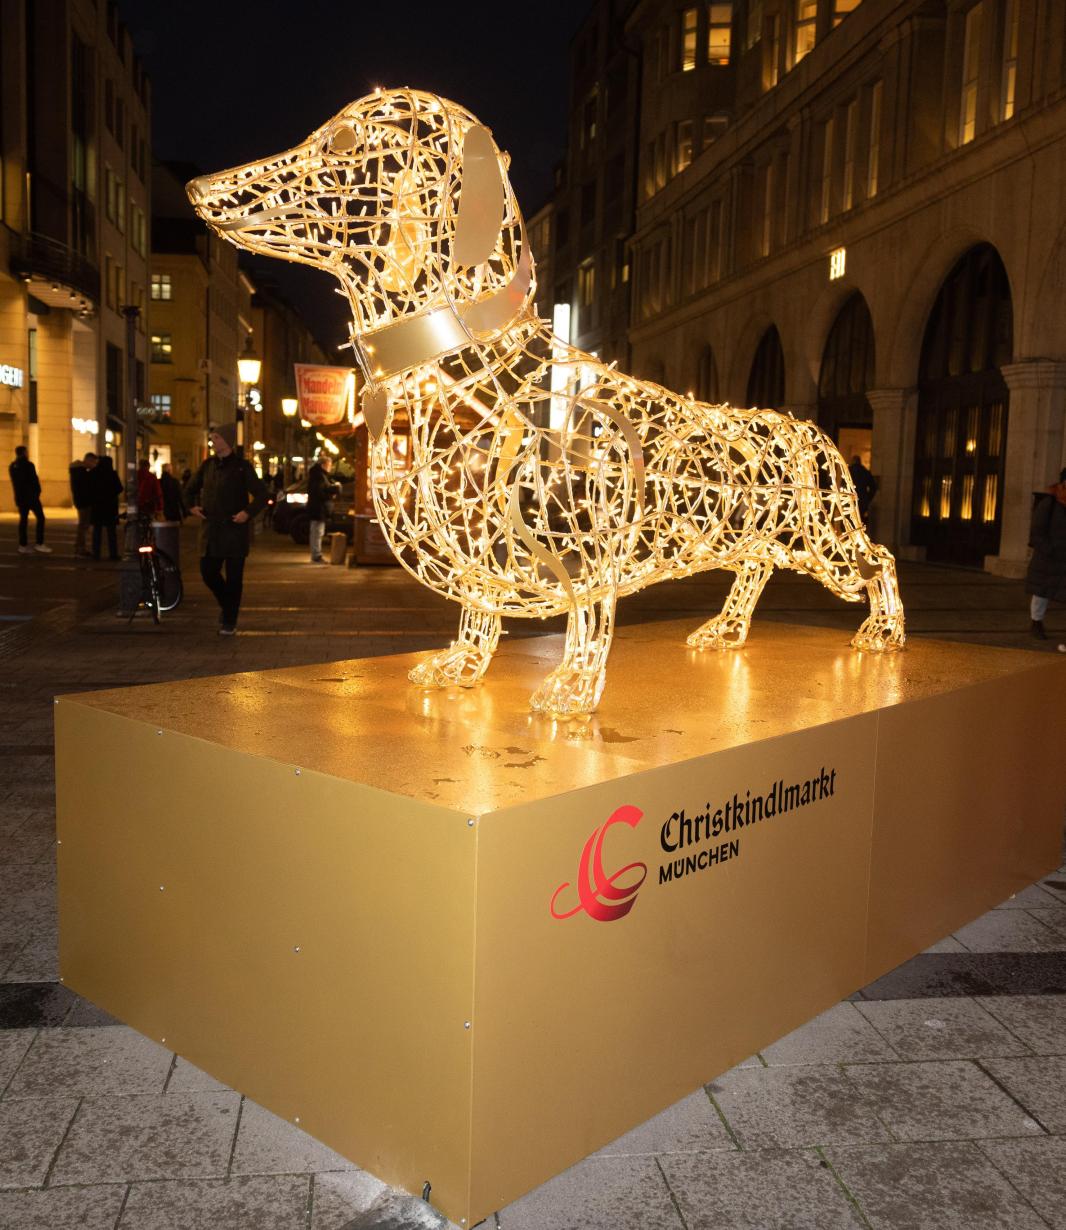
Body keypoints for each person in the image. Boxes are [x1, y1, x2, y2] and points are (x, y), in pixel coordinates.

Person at [184, 423, 268, 635]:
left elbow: (261, 494)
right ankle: (227, 606)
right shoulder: (208, 465)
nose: (213, 441)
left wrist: (247, 513)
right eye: (212, 437)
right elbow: (188, 490)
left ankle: (230, 620)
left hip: (234, 531)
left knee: (234, 578)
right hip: (211, 532)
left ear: (227, 441)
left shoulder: (242, 466)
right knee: (208, 572)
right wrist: (191, 507)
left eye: (217, 438)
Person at [1025, 467, 1066, 640]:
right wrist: (1050, 550)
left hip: (1063, 558)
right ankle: (1036, 622)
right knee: (1042, 592)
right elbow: (1037, 532)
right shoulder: (1049, 503)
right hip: (1049, 558)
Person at [9, 445, 51, 555]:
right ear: (24, 453)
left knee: (23, 520)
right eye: (27, 451)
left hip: (20, 498)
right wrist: (37, 492)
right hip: (31, 497)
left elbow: (16, 483)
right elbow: (34, 480)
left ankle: (22, 545)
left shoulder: (13, 466)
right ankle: (39, 543)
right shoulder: (28, 465)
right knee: (41, 518)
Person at [88, 455, 123, 560]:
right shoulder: (112, 474)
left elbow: (89, 488)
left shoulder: (93, 473)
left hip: (97, 506)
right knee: (111, 532)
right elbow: (119, 488)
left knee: (97, 531)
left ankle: (96, 554)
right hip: (110, 507)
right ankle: (113, 554)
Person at [307, 453, 339, 563]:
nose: (330, 467)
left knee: (317, 532)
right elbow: (318, 492)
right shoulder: (319, 476)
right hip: (318, 508)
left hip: (318, 508)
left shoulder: (319, 475)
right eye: (329, 465)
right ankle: (316, 555)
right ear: (322, 465)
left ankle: (316, 554)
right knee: (317, 532)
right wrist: (331, 494)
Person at [69, 452, 98, 556]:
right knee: (83, 525)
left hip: (80, 500)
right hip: (83, 501)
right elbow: (85, 487)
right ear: (88, 460)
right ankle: (80, 547)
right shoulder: (82, 472)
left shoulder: (78, 470)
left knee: (83, 525)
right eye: (93, 462)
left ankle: (79, 545)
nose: (94, 465)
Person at [849, 455, 878, 523]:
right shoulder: (865, 472)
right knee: (860, 522)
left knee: (848, 523)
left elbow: (843, 486)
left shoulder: (848, 471)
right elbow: (873, 487)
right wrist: (867, 498)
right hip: (862, 501)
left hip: (849, 501)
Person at [136, 458, 162, 523]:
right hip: (149, 504)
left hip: (137, 504)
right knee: (149, 522)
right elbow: (158, 492)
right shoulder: (152, 477)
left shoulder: (134, 476)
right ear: (148, 467)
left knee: (137, 521)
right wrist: (160, 506)